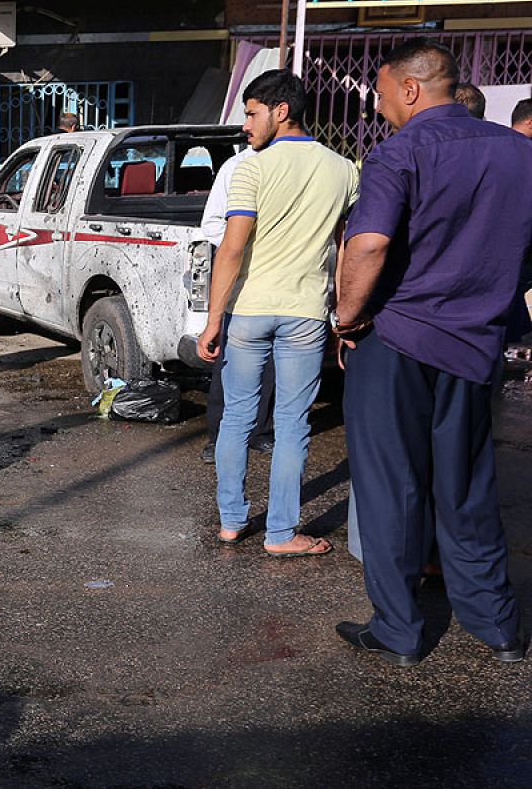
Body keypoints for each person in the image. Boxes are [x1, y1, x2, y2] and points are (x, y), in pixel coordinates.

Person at [333, 39, 532, 667]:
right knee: (469, 484)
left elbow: (367, 247)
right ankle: (497, 625)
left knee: (392, 488)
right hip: (476, 342)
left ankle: (399, 630)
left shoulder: (401, 152)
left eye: (384, 92)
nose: (380, 104)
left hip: (396, 338)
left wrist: (346, 318)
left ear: (411, 88)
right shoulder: (520, 154)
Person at [197, 70, 357, 557]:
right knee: (292, 423)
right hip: (306, 313)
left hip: (249, 311)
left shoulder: (251, 168)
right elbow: (346, 248)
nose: (245, 124)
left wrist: (212, 319)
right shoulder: (345, 169)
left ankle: (231, 521)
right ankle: (282, 534)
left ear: (280, 110)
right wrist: (345, 316)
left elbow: (231, 248)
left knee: (238, 419)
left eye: (251, 113)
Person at [197, 145, 273, 464]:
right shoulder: (237, 165)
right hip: (239, 276)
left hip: (277, 278)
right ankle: (218, 435)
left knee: (270, 361)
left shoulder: (300, 164)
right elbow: (212, 223)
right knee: (228, 359)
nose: (246, 126)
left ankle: (262, 431)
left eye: (253, 115)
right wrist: (240, 243)